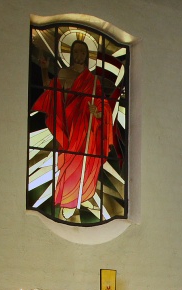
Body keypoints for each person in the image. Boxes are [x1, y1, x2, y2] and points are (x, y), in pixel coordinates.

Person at [33, 39, 114, 217]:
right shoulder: (64, 73)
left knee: (88, 162)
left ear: (87, 56)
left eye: (82, 52)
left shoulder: (93, 82)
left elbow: (104, 107)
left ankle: (83, 196)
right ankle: (68, 199)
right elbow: (50, 89)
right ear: (71, 55)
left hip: (87, 131)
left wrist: (98, 113)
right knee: (70, 161)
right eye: (76, 52)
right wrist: (44, 69)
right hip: (70, 127)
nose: (79, 56)